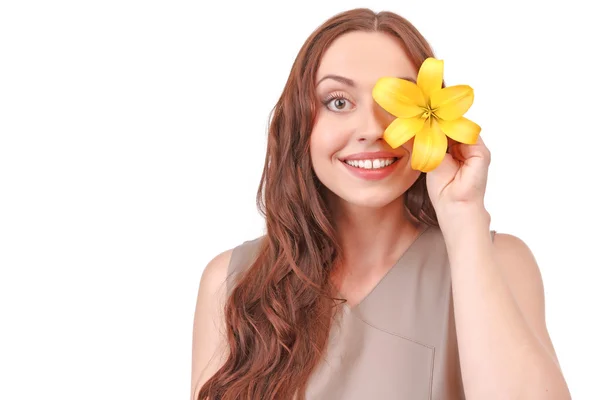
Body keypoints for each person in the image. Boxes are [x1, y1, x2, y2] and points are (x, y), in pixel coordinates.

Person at [191, 8, 570, 400]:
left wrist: (463, 215)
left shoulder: (499, 261)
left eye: (396, 103)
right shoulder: (230, 281)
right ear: (299, 124)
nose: (373, 130)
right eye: (338, 102)